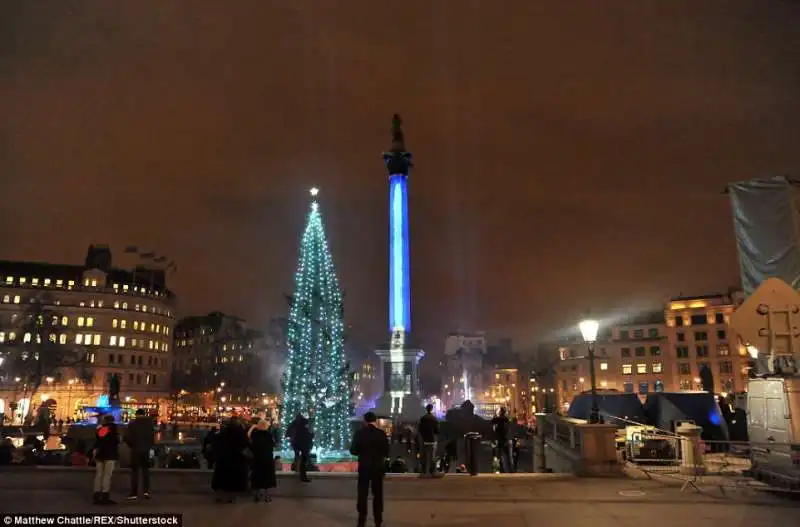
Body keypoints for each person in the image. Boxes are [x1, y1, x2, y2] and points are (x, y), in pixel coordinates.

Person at [350, 412, 390, 527]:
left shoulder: (359, 433)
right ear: (375, 420)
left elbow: (353, 450)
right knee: (377, 494)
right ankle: (378, 520)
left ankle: (361, 519)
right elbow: (386, 452)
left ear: (365, 421)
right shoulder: (381, 434)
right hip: (378, 467)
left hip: (364, 467)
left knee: (362, 493)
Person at [211, 416, 250, 503]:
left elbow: (217, 443)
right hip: (237, 460)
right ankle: (232, 498)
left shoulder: (224, 433)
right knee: (234, 481)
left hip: (225, 459)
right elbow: (245, 445)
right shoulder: (241, 433)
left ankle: (221, 497)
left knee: (222, 479)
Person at [125, 408, 155, 500]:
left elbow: (127, 438)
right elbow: (152, 437)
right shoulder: (149, 423)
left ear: (136, 414)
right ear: (144, 414)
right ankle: (146, 492)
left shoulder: (132, 424)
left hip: (136, 450)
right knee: (145, 471)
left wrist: (132, 445)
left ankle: (134, 493)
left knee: (135, 472)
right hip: (146, 450)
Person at [92, 414, 120, 504]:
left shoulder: (99, 429)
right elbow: (116, 440)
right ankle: (105, 495)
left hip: (100, 454)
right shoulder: (113, 428)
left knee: (99, 475)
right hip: (110, 454)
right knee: (107, 475)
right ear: (112, 420)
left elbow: (98, 439)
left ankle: (96, 495)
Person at [248, 419, 277, 502]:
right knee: (267, 477)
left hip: (257, 459)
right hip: (267, 459)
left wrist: (252, 428)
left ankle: (257, 495)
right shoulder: (269, 435)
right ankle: (267, 496)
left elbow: (250, 442)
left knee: (257, 477)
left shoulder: (255, 435)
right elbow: (273, 445)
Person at [285, 414, 313, 482]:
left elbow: (287, 433)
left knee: (297, 457)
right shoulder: (303, 425)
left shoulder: (293, 424)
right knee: (303, 460)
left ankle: (296, 470)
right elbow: (309, 435)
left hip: (295, 444)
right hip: (303, 445)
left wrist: (292, 437)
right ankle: (302, 476)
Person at [418, 404, 439, 477]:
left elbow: (420, 429)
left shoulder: (423, 418)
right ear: (432, 409)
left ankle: (423, 471)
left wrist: (423, 435)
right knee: (432, 457)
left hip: (424, 440)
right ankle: (432, 471)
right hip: (432, 440)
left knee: (423, 456)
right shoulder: (434, 418)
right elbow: (437, 430)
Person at [491, 408, 513, 473]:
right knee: (508, 456)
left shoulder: (497, 419)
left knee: (497, 456)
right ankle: (509, 470)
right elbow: (509, 430)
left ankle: (498, 469)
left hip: (499, 439)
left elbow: (492, 426)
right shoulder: (507, 420)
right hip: (505, 439)